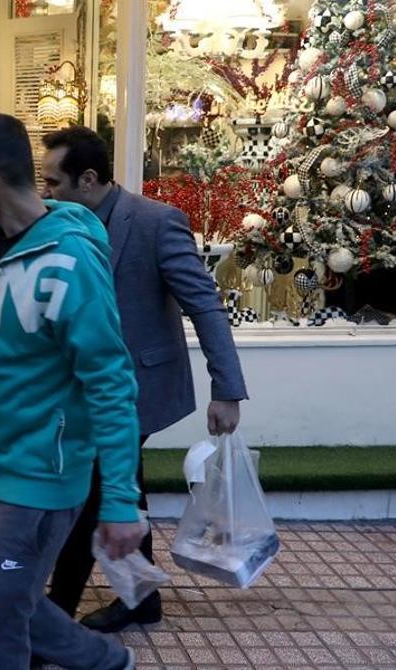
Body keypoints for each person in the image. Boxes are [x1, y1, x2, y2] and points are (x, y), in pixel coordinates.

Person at [0, 113, 142, 670]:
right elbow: (3, 355)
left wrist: (122, 502)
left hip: (45, 472)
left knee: (1, 615)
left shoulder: (70, 260)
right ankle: (106, 661)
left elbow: (110, 382)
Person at [41, 126, 248, 631]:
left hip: (137, 388)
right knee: (123, 488)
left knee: (93, 495)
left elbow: (204, 303)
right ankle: (143, 599)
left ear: (87, 179)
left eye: (52, 182)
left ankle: (51, 620)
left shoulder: (156, 223)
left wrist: (227, 389)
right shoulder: (60, 225)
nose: (44, 193)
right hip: (83, 388)